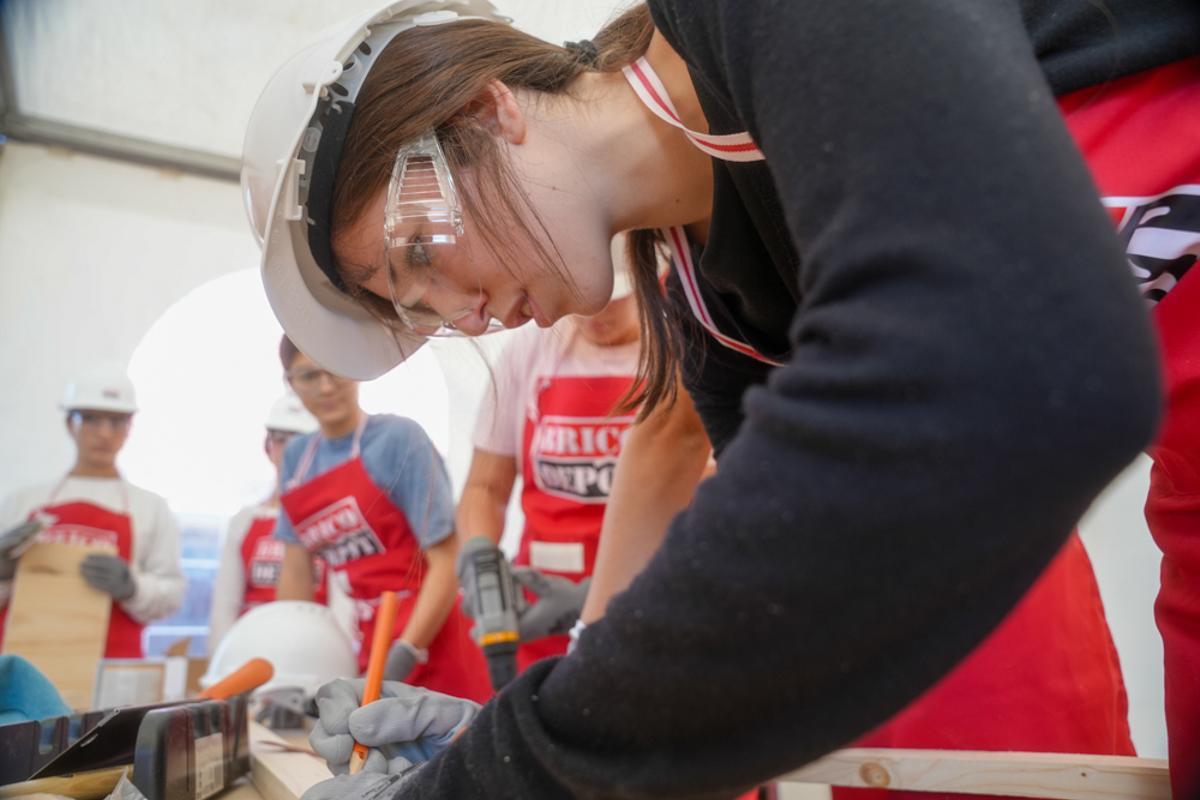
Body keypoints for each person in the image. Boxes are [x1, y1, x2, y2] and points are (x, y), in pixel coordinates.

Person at [238, 1, 1194, 797]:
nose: (464, 313)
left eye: (418, 252)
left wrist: (515, 774)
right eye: (419, 308)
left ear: (487, 109)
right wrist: (512, 732)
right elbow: (801, 597)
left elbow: (1020, 376)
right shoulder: (709, 304)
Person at [456, 238, 669, 668]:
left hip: (652, 605)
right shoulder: (529, 352)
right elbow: (485, 486)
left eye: (612, 299)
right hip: (543, 613)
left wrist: (607, 595)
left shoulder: (677, 353)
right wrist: (479, 556)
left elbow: (707, 496)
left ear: (652, 279)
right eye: (580, 299)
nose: (594, 314)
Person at [271, 336, 491, 703]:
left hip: (435, 635)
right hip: (370, 638)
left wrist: (407, 651)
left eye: (335, 369)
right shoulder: (298, 459)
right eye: (309, 376)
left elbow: (447, 561)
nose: (326, 387)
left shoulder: (399, 440)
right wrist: (288, 669)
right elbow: (295, 572)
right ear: (291, 383)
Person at [0, 364, 184, 660]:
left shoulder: (151, 508)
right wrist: (3, 575)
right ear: (69, 424)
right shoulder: (22, 502)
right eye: (90, 419)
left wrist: (132, 588)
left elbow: (171, 595)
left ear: (130, 428)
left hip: (110, 668)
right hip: (24, 666)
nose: (104, 433)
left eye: (116, 421)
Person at [207, 393, 324, 655]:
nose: (290, 450)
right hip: (250, 654)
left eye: (300, 440)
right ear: (267, 446)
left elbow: (344, 610)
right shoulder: (244, 521)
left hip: (313, 653)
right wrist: (220, 667)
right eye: (281, 439)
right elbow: (224, 609)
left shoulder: (331, 520)